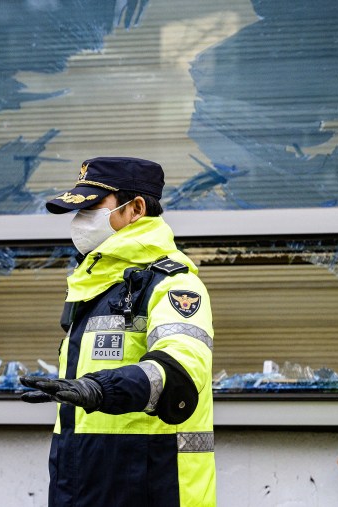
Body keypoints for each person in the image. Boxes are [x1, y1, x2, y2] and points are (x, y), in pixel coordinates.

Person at [20, 157, 216, 507]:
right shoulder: (95, 287)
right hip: (86, 485)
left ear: (136, 208)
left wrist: (100, 389)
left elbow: (183, 369)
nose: (81, 221)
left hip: (155, 486)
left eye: (93, 207)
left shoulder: (174, 284)